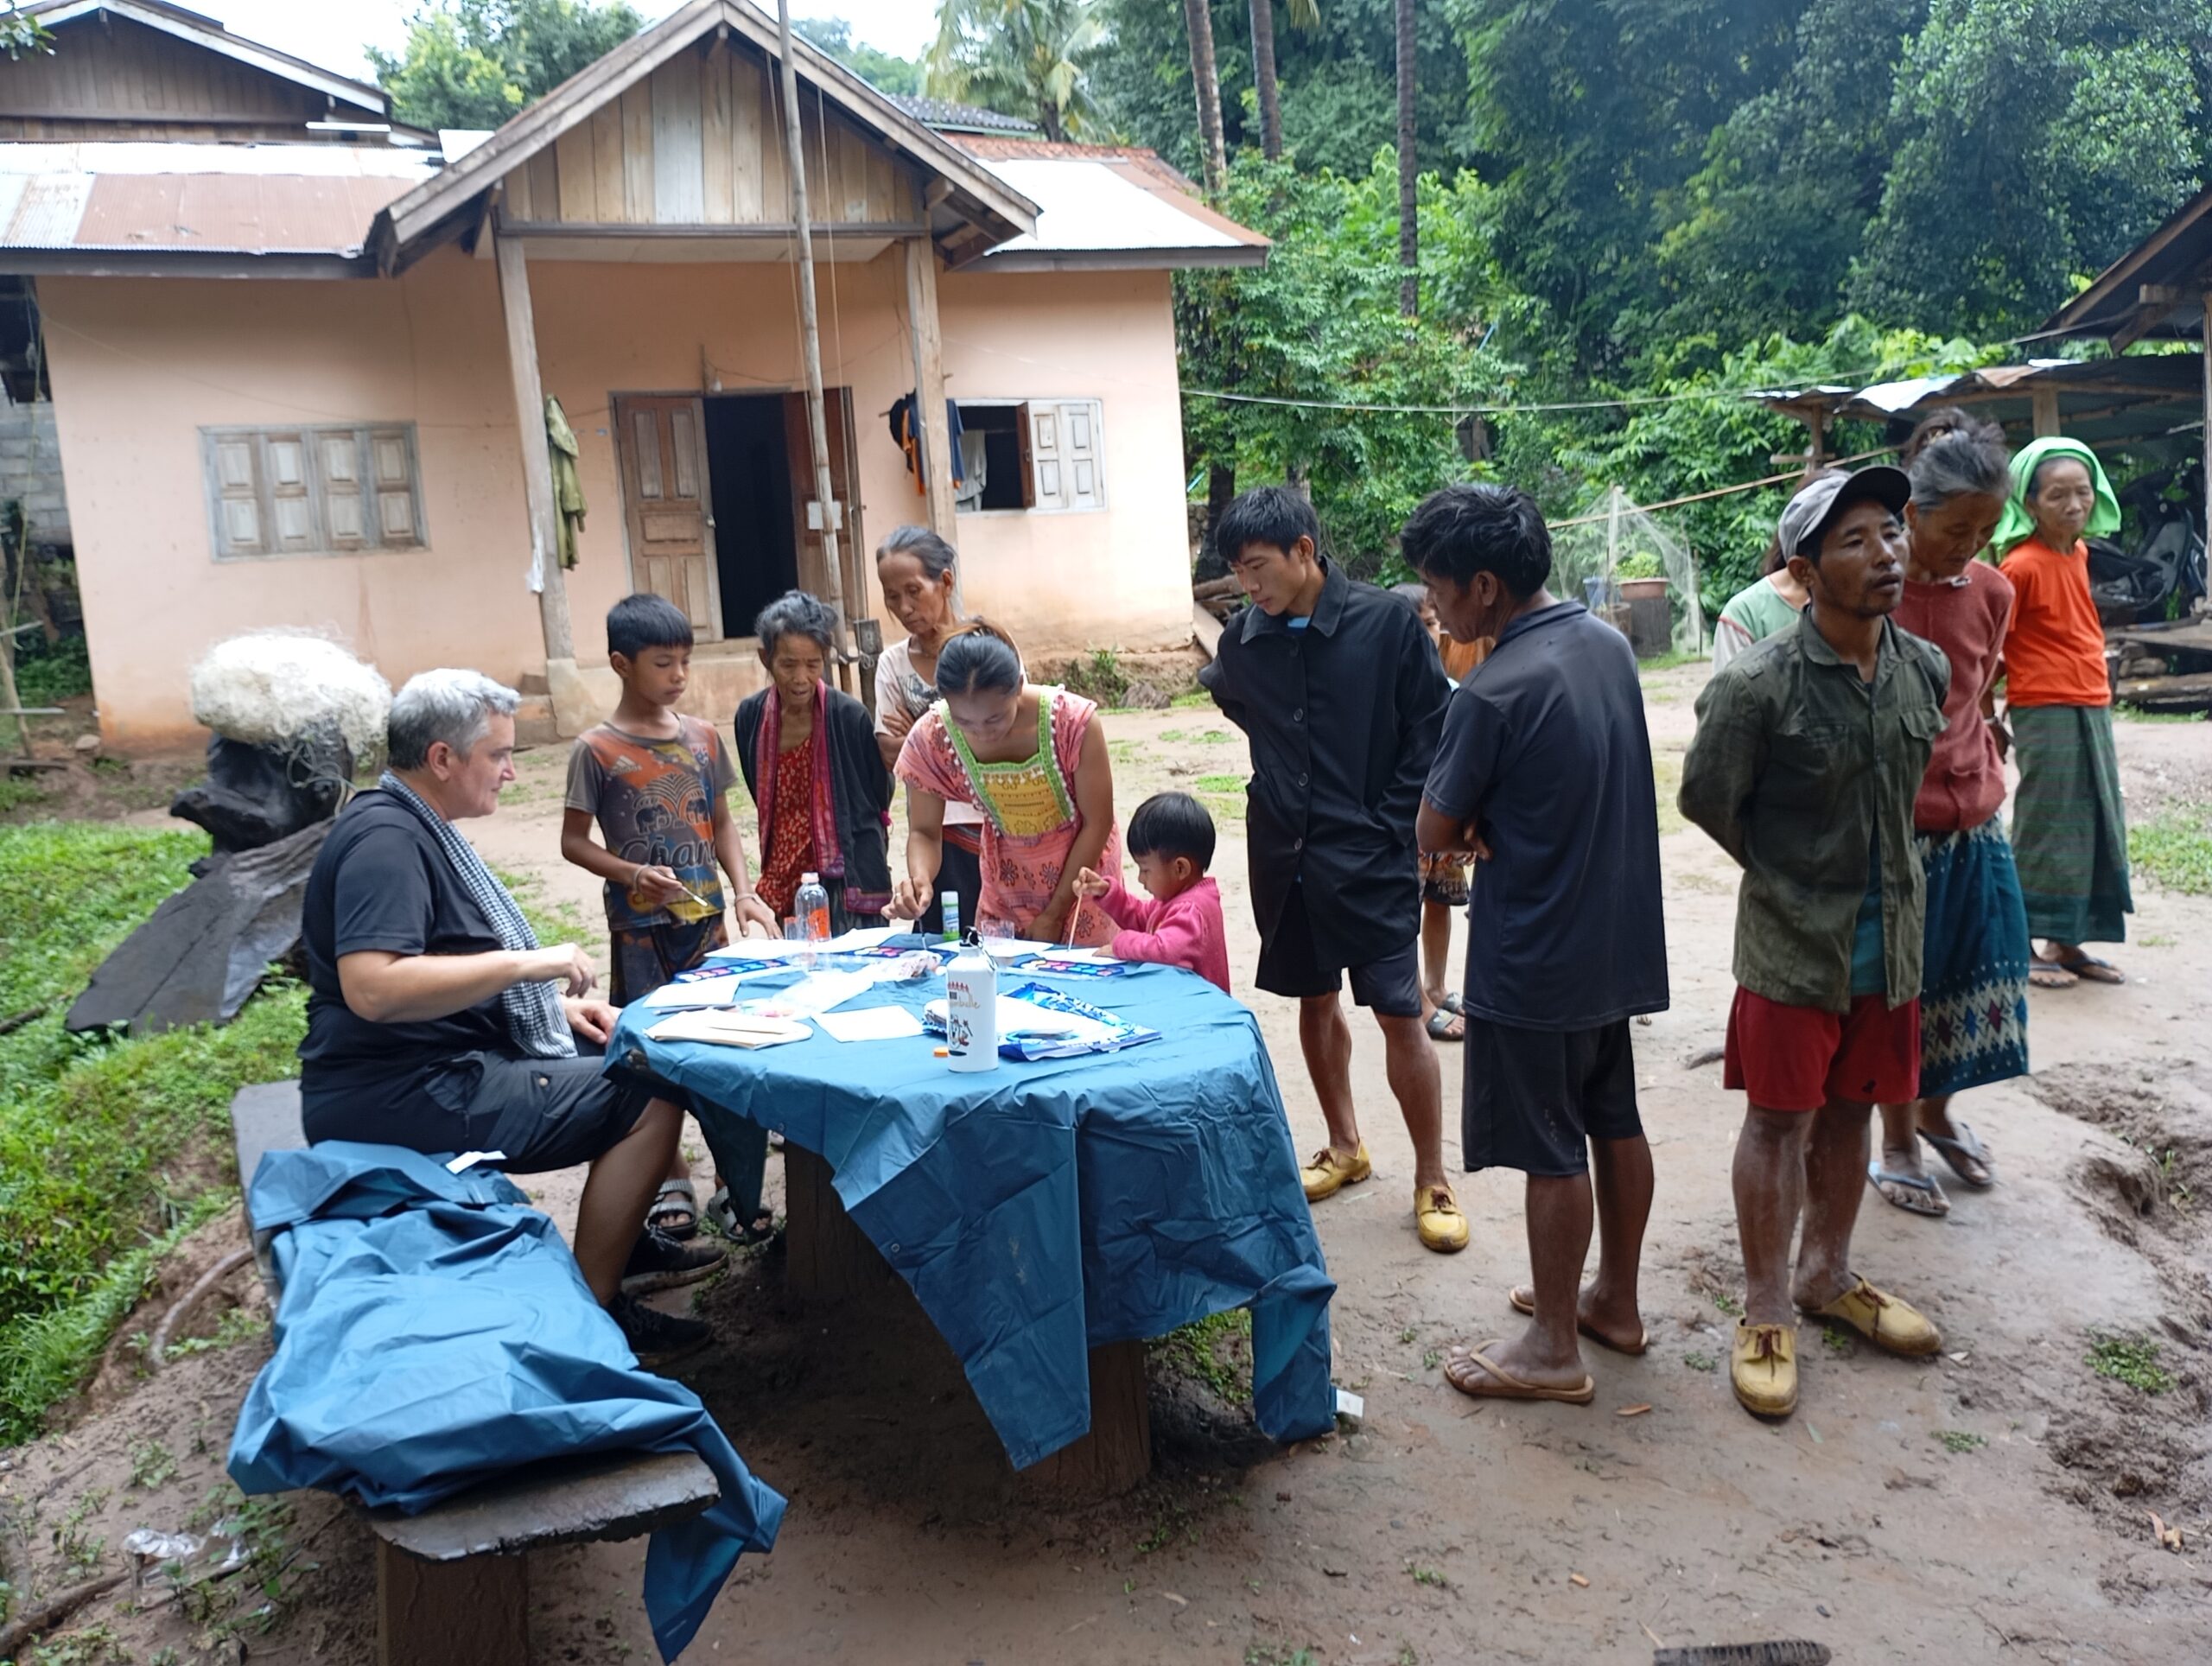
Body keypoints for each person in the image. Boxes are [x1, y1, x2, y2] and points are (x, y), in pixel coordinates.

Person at [300, 670, 720, 1367]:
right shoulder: (387, 842)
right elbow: (373, 989)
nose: (511, 770)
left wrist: (557, 1009)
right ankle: (596, 1314)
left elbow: (435, 971)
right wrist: (526, 966)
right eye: (497, 754)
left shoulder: (413, 822)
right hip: (402, 1093)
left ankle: (623, 1247)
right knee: (650, 1088)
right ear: (442, 758)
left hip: (426, 1065)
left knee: (626, 1047)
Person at [1679, 467, 1950, 1421]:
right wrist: (1789, 875)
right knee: (1777, 1120)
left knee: (1852, 1105)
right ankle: (1765, 1309)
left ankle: (1826, 1274)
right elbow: (1708, 798)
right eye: (1854, 541)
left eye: (1891, 532)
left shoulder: (1923, 669)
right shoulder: (1755, 684)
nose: (1885, 554)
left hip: (1892, 940)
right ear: (1803, 571)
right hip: (1793, 944)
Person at [1407, 484, 1669, 1402]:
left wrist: (1470, 817)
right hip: (1614, 932)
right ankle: (1613, 1301)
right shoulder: (1605, 643)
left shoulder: (1492, 689)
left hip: (1535, 947)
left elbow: (1433, 830)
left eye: (1437, 586)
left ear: (1483, 586)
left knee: (1551, 1143)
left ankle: (1553, 1346)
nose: (1433, 606)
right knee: (1612, 1115)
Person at [1199, 486, 1465, 1255]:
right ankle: (1345, 1145)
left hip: (1372, 855)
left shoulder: (1385, 624)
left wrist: (1391, 823)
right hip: (1285, 854)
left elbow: (1431, 730)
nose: (1247, 584)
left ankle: (1433, 1177)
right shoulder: (1244, 640)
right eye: (1238, 571)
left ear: (1305, 551)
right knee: (1314, 1000)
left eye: (1258, 566)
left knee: (1399, 1011)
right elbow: (1240, 707)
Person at [562, 593, 779, 1245]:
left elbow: (723, 824)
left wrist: (743, 891)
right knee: (649, 1059)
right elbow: (573, 842)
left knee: (721, 1051)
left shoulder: (704, 738)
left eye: (685, 660)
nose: (679, 675)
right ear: (621, 664)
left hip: (706, 928)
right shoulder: (596, 750)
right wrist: (631, 875)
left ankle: (734, 1184)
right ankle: (669, 1176)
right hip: (639, 934)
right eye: (663, 663)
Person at [1869, 413, 2031, 1218]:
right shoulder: (1872, 592)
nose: (1971, 545)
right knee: (1901, 990)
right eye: (1956, 529)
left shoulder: (1994, 592)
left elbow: (1977, 691)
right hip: (1894, 829)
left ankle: (1935, 1112)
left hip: (1973, 821)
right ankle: (1896, 1141)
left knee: (1976, 968)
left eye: (1986, 531)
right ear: (1912, 514)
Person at [1994, 438, 2134, 988]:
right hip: (2043, 705)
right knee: (2046, 821)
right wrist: (1984, 717)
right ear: (2030, 503)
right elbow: (1992, 647)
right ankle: (2023, 941)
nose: (2074, 505)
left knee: (2089, 820)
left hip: (2090, 699)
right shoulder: (2019, 566)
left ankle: (2066, 940)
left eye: (2083, 492)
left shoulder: (2078, 554)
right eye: (2058, 495)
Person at [886, 622, 1119, 944]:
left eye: (994, 719)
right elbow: (924, 831)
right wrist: (920, 878)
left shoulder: (1073, 723)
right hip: (1005, 887)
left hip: (1082, 884)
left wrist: (1055, 913)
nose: (982, 733)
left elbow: (1098, 823)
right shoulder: (933, 735)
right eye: (964, 721)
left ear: (1019, 685)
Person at [733, 591, 894, 933]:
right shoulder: (751, 717)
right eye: (788, 664)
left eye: (813, 664)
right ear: (766, 658)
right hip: (787, 873)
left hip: (848, 873)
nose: (801, 678)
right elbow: (758, 788)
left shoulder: (849, 716)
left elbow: (879, 789)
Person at [874, 525, 988, 936]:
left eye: (913, 591)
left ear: (946, 582)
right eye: (892, 597)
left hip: (997, 829)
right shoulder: (892, 665)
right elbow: (894, 755)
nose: (904, 608)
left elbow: (1003, 740)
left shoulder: (988, 648)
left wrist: (920, 736)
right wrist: (948, 741)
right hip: (934, 834)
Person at [1394, 580, 1480, 1043]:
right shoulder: (1388, 692)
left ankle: (1436, 984)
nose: (1429, 634)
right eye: (1420, 625)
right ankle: (1416, 999)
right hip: (1408, 823)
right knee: (1406, 909)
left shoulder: (1449, 687)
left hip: (1442, 817)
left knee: (1440, 900)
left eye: (1431, 623)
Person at [1074, 791, 1231, 992]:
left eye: (1145, 870)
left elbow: (1164, 950)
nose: (1141, 878)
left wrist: (1120, 944)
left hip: (1198, 1009)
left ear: (1180, 868)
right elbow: (1143, 918)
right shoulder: (1177, 899)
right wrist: (1106, 892)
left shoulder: (1191, 910)